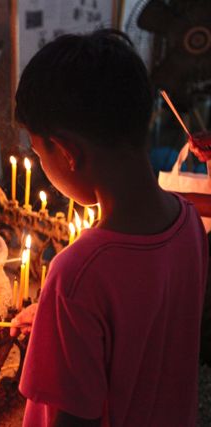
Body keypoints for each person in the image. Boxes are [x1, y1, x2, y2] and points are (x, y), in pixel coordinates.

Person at [10, 30, 207, 426]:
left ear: (67, 152)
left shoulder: (78, 275)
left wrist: (64, 313)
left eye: (38, 152)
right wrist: (57, 324)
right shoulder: (189, 224)